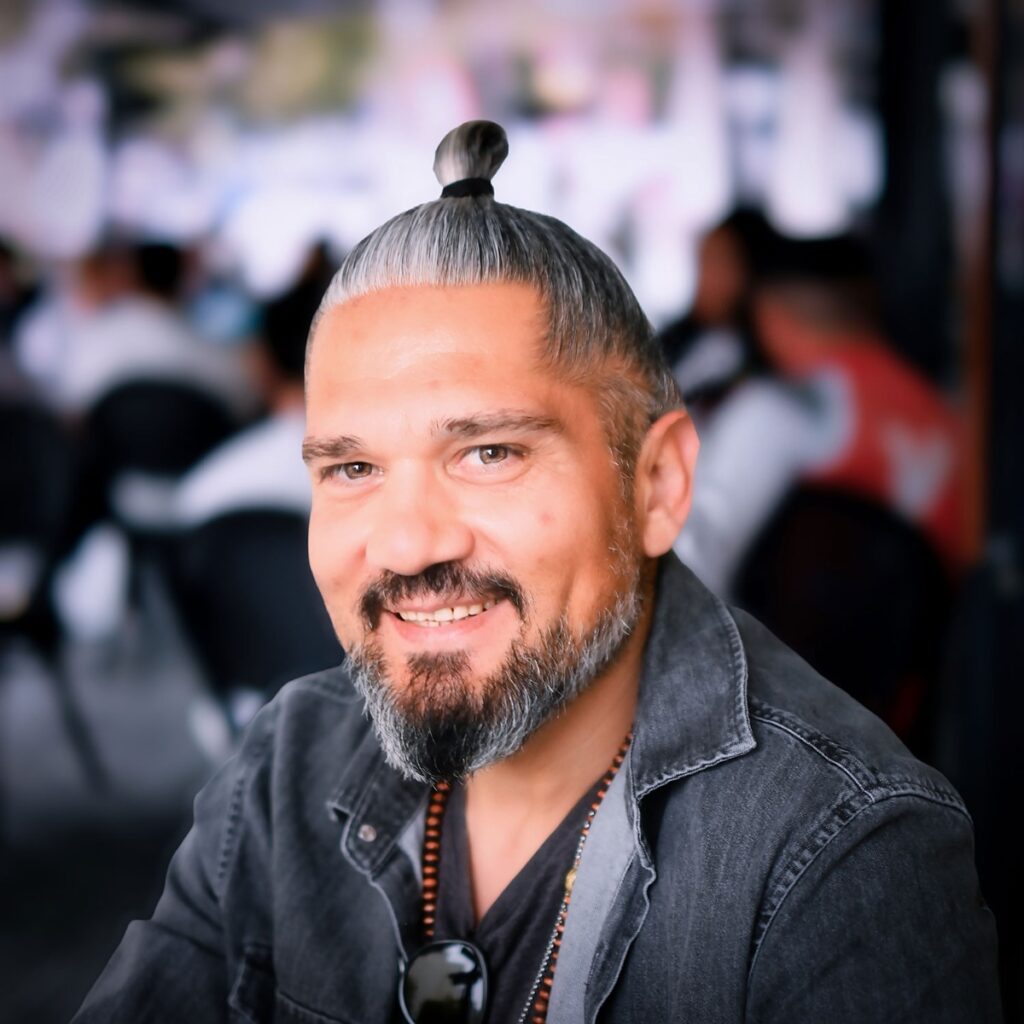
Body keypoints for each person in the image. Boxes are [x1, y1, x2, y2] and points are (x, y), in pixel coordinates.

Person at [72, 122, 1001, 1023]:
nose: (407, 546)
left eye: (489, 453)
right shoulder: (288, 766)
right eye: (352, 469)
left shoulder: (841, 853)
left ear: (657, 485)